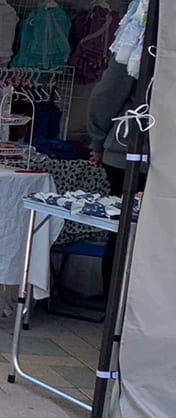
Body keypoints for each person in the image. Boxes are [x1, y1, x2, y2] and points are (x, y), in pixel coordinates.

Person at [88, 55, 149, 291]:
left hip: (130, 148)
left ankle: (115, 301)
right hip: (137, 148)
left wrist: (98, 140)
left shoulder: (141, 35)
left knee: (124, 230)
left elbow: (107, 94)